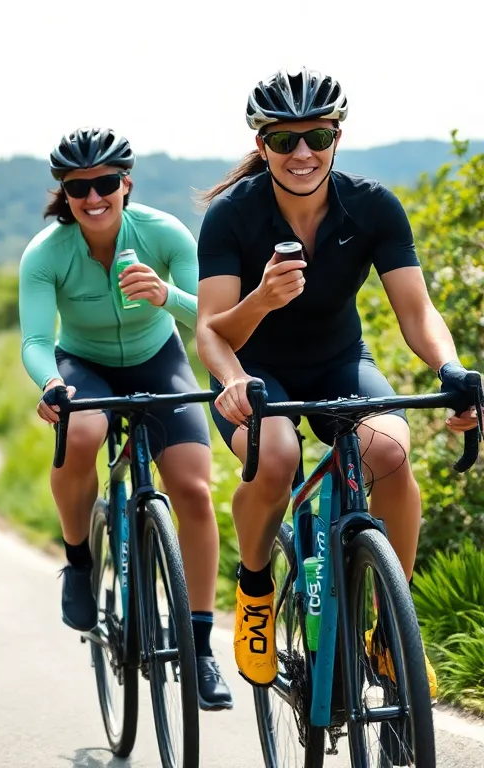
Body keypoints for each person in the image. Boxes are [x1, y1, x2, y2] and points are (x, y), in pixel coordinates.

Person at [195, 68, 477, 693]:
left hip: (339, 363)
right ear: (261, 144)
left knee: (389, 451)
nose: (302, 153)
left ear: (337, 138)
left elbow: (416, 310)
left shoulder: (371, 205)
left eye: (317, 137)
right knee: (277, 456)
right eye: (284, 139)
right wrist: (262, 305)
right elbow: (212, 332)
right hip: (255, 374)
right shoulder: (232, 217)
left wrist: (450, 370)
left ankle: (388, 634)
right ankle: (256, 588)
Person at [19, 127, 233, 710]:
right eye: (78, 187)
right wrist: (52, 383)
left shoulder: (163, 234)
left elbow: (211, 324)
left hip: (157, 359)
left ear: (126, 183)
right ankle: (79, 560)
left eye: (105, 183)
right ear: (63, 193)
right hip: (81, 365)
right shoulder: (46, 254)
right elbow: (37, 340)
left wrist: (167, 295)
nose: (93, 197)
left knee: (191, 487)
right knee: (83, 430)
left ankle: (201, 647)